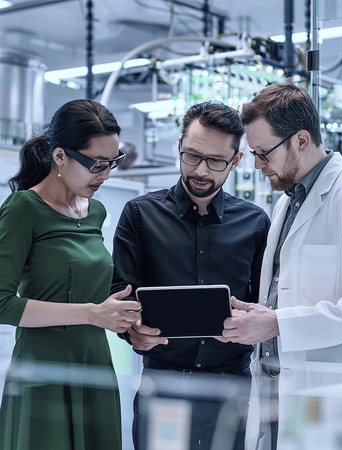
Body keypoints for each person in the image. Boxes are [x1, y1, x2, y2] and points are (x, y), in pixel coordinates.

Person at [218, 80, 342, 450]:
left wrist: (277, 323)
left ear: (301, 140)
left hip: (335, 394)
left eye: (263, 152)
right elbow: (293, 292)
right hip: (276, 389)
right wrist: (263, 312)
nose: (256, 165)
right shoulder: (285, 204)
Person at [111, 100, 270, 450]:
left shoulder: (256, 223)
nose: (200, 170)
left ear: (236, 161)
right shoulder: (140, 215)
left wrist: (252, 325)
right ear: (179, 147)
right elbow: (120, 295)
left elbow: (264, 303)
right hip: (163, 383)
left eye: (215, 161)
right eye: (192, 156)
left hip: (232, 387)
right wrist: (132, 331)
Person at [0, 99, 141, 450]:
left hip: (94, 363)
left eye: (113, 163)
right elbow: (2, 303)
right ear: (60, 156)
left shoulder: (96, 212)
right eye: (97, 164)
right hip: (42, 371)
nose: (106, 174)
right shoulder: (22, 209)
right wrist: (92, 314)